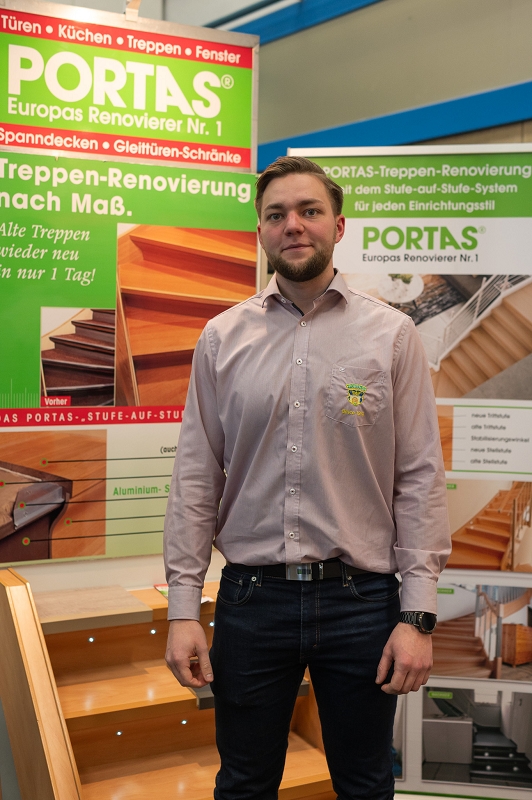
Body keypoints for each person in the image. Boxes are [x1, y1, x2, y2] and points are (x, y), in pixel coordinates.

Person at [164, 156, 451, 800]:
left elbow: (418, 477)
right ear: (261, 232)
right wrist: (184, 609)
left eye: (309, 210)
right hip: (251, 601)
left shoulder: (393, 336)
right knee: (244, 784)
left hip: (362, 604)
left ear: (338, 226)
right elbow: (195, 476)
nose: (293, 225)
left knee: (365, 783)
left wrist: (419, 615)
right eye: (277, 215)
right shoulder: (221, 338)